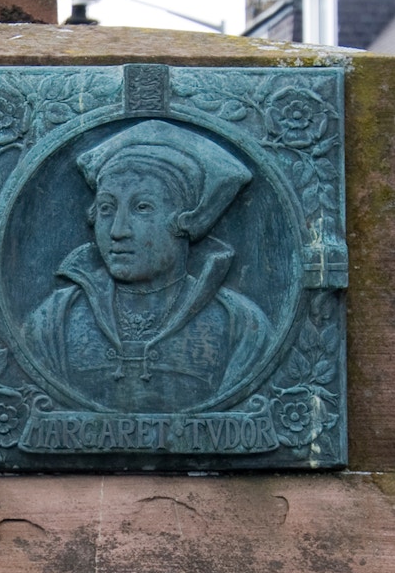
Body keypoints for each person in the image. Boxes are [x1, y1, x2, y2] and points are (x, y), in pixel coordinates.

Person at [25, 120, 271, 413]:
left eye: (142, 208)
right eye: (106, 208)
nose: (118, 230)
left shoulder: (240, 324)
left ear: (186, 222)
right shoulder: (53, 321)